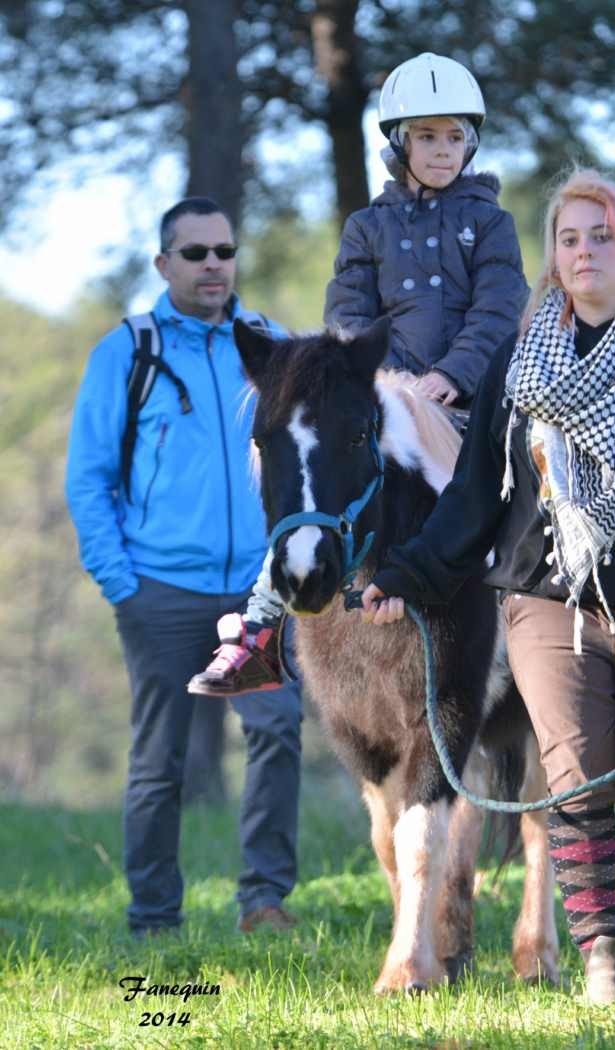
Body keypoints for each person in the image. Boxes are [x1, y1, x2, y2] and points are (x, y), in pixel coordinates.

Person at [359, 168, 615, 1003]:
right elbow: (479, 496)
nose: (584, 250)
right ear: (553, 258)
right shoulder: (525, 360)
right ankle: (599, 955)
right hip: (544, 598)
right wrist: (408, 573)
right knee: (574, 775)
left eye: (601, 235)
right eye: (568, 238)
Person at [188, 51, 528, 698]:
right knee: (312, 489)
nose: (442, 150)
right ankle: (258, 635)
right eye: (427, 137)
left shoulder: (491, 223)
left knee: (523, 480)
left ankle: (529, 617)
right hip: (388, 401)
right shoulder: (366, 228)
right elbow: (348, 311)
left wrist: (454, 373)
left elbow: (498, 307)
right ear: (400, 144)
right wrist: (381, 383)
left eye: (455, 137)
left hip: (472, 398)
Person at [65, 197, 303, 937]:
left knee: (277, 726)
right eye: (195, 253)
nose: (213, 265)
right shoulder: (127, 352)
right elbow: (88, 478)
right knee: (159, 759)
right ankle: (153, 918)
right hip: (160, 591)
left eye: (224, 251)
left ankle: (264, 901)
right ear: (163, 263)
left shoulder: (272, 344)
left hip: (258, 591)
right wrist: (122, 584)